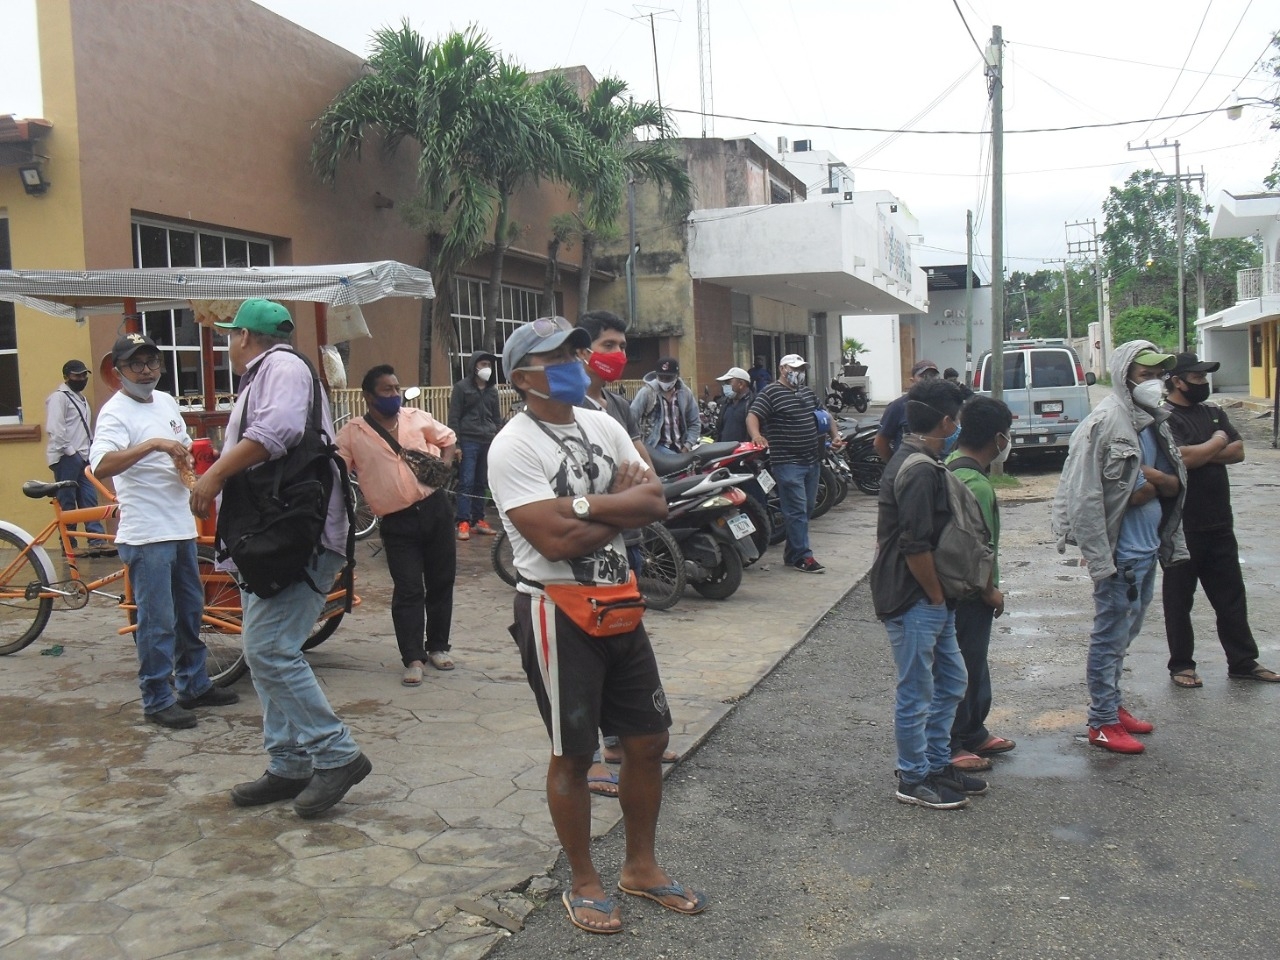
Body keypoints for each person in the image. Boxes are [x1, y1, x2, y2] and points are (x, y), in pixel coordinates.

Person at [489, 316, 705, 935]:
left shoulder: (603, 422)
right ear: (523, 376)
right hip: (556, 611)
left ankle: (641, 867)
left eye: (574, 350)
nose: (576, 360)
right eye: (557, 355)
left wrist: (584, 506)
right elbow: (553, 541)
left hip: (619, 601)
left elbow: (656, 500)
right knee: (574, 753)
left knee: (647, 741)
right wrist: (621, 510)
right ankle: (583, 880)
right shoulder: (514, 446)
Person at [191, 299, 370, 818]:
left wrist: (216, 473)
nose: (228, 343)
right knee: (266, 648)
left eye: (231, 335)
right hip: (274, 536)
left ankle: (337, 754)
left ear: (246, 336)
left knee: (269, 650)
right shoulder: (268, 373)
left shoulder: (283, 368)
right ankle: (288, 764)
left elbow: (278, 433)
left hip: (296, 535)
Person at [89, 333, 240, 729]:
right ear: (118, 371)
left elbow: (184, 447)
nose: (146, 370)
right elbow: (101, 464)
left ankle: (194, 684)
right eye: (136, 364)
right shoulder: (115, 412)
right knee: (157, 621)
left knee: (191, 612)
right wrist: (153, 445)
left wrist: (195, 462)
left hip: (179, 525)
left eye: (152, 362)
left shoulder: (168, 402)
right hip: (145, 534)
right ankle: (157, 699)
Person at [1052, 341, 1186, 755]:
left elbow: (1171, 482)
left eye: (1159, 374)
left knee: (1125, 634)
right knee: (1109, 636)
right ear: (1125, 374)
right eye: (1146, 375)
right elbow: (1085, 496)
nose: (1155, 382)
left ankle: (1114, 703)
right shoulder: (1104, 423)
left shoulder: (1152, 422)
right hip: (1120, 555)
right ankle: (1103, 721)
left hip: (1147, 550)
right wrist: (1098, 559)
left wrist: (1151, 487)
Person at [871, 378, 987, 810]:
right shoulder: (917, 469)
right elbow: (914, 545)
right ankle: (913, 776)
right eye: (954, 419)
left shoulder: (920, 460)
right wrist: (937, 598)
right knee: (917, 690)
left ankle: (937, 764)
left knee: (951, 681)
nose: (956, 427)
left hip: (928, 597)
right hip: (913, 597)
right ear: (944, 421)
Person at [575, 311, 674, 794]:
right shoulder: (567, 407)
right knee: (585, 658)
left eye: (621, 345)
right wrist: (621, 494)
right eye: (608, 344)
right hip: (585, 550)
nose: (617, 354)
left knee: (623, 644)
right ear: (583, 349)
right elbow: (589, 487)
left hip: (626, 545)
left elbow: (644, 475)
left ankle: (617, 740)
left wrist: (630, 491)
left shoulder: (617, 403)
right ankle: (588, 755)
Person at [1160, 352, 1278, 687]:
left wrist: (1205, 451)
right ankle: (1182, 665)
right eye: (1197, 378)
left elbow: (1238, 451)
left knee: (1231, 598)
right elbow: (1182, 459)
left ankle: (1243, 662)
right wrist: (1216, 442)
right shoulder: (1165, 417)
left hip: (1219, 524)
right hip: (1182, 527)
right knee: (1179, 601)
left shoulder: (1212, 411)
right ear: (1177, 381)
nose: (1203, 383)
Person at [338, 364, 458, 684]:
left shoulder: (416, 417)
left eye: (396, 388)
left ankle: (438, 646)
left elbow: (448, 440)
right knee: (407, 589)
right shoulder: (353, 432)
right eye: (387, 390)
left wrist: (442, 471)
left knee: (440, 581)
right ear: (368, 396)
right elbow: (335, 466)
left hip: (435, 508)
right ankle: (412, 657)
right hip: (396, 521)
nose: (394, 394)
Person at [946, 396, 1016, 772]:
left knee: (974, 663)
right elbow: (977, 549)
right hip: (970, 593)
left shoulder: (951, 469)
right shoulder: (977, 485)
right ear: (999, 438)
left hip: (961, 592)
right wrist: (990, 591)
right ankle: (954, 740)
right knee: (963, 667)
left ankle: (973, 731)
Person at [746, 354, 841, 573]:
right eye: (794, 367)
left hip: (812, 460)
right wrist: (756, 435)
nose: (798, 372)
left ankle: (792, 552)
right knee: (797, 509)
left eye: (802, 368)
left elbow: (825, 415)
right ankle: (803, 556)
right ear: (782, 369)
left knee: (806, 508)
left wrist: (835, 436)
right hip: (787, 462)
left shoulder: (806, 392)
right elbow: (753, 415)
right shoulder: (770, 392)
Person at [45, 358, 109, 554]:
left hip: (83, 456)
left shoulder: (80, 398)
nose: (81, 378)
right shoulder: (59, 398)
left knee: (89, 498)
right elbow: (55, 429)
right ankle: (69, 543)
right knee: (67, 500)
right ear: (66, 377)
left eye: (83, 375)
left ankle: (95, 541)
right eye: (76, 375)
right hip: (67, 457)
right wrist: (71, 452)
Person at [448, 352, 501, 541]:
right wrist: (457, 444)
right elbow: (454, 417)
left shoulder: (492, 390)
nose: (487, 367)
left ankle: (479, 519)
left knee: (482, 482)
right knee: (466, 482)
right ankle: (463, 520)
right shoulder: (462, 388)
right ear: (474, 366)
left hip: (487, 440)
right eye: (483, 363)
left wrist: (498, 437)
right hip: (469, 441)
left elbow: (496, 418)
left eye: (489, 364)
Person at [631, 357, 700, 455]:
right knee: (674, 460)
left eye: (668, 378)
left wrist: (687, 446)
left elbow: (695, 422)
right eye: (661, 377)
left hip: (680, 447)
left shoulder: (685, 393)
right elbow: (631, 419)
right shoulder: (647, 392)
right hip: (655, 446)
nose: (664, 381)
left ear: (676, 376)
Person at [874, 359, 939, 462]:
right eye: (923, 376)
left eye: (933, 375)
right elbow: (880, 443)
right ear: (912, 380)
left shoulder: (942, 404)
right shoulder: (898, 406)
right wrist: (896, 464)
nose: (929, 380)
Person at [714, 366, 753, 443]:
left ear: (741, 384)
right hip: (725, 451)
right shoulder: (726, 404)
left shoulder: (754, 403)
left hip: (744, 452)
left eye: (728, 382)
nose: (725, 386)